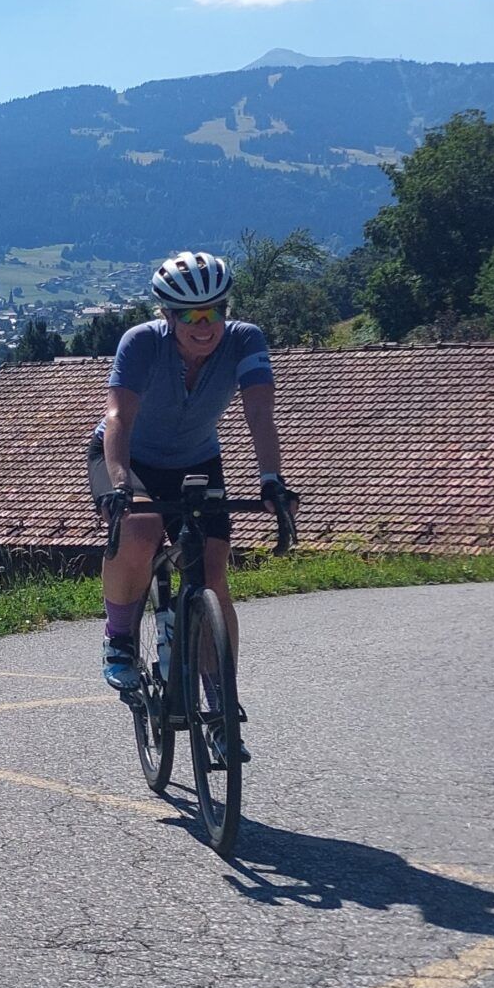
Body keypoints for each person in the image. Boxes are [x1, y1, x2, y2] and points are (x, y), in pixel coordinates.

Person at [88, 250, 294, 716]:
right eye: (190, 315)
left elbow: (259, 413)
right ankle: (119, 638)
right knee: (140, 532)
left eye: (215, 311)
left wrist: (271, 480)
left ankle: (221, 700)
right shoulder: (140, 343)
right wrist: (120, 483)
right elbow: (117, 415)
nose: (205, 325)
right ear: (167, 314)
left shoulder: (245, 341)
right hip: (126, 456)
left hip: (195, 458)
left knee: (213, 578)